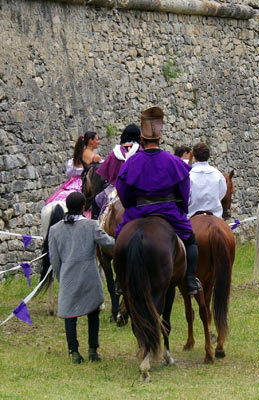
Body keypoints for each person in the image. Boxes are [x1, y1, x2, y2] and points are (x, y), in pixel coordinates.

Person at [115, 107, 201, 295]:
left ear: (142, 140)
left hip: (138, 211)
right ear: (159, 139)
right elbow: (184, 188)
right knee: (190, 240)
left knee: (119, 237)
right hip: (169, 211)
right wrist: (181, 208)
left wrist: (131, 206)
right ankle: (190, 279)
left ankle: (120, 280)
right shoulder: (173, 161)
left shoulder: (131, 162)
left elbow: (122, 188)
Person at [48, 192, 115, 364]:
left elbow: (54, 260)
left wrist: (61, 277)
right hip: (89, 275)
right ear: (84, 208)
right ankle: (93, 350)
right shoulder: (91, 225)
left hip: (68, 275)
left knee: (70, 316)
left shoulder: (55, 230)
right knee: (93, 312)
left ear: (67, 207)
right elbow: (108, 243)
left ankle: (74, 352)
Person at [45, 131, 102, 209]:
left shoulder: (78, 154)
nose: (98, 142)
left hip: (72, 182)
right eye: (97, 140)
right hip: (85, 183)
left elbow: (70, 172)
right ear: (91, 141)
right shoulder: (95, 157)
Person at [95, 124, 142, 216]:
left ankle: (96, 224)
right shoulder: (141, 151)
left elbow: (104, 172)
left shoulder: (115, 153)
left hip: (116, 189)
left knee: (97, 200)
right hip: (137, 189)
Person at [187, 142, 227, 218]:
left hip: (192, 215)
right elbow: (222, 193)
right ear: (208, 156)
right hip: (215, 215)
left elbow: (186, 197)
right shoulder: (218, 174)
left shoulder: (189, 176)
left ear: (194, 157)